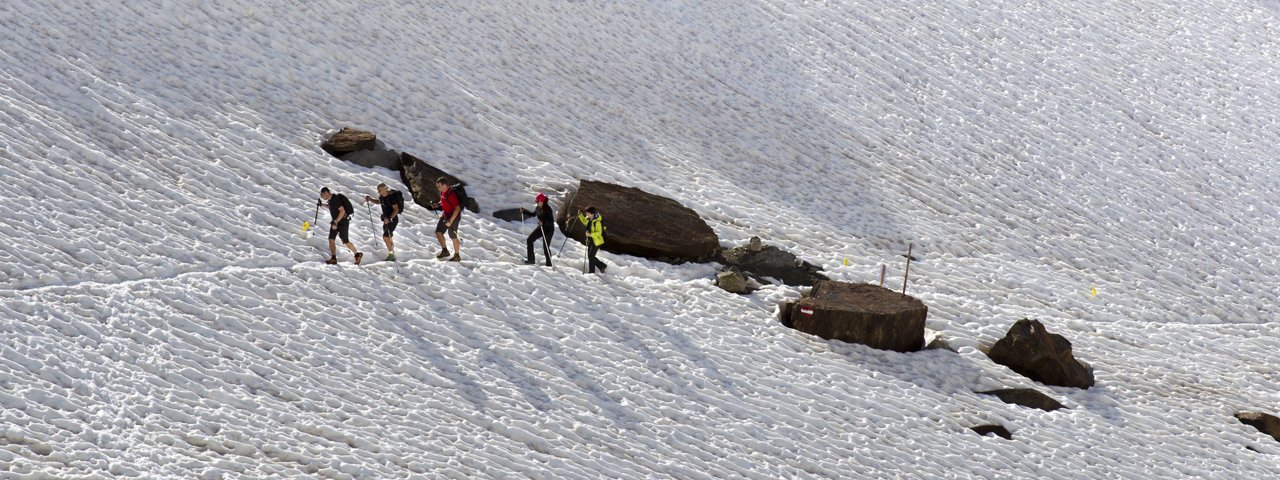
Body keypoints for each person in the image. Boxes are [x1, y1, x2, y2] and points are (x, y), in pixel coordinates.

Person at [320, 187, 363, 265]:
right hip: (335, 222)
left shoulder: (335, 198)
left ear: (326, 192)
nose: (321, 197)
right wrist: (322, 204)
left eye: (322, 194)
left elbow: (342, 211)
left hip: (342, 222)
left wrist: (336, 221)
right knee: (331, 239)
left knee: (346, 241)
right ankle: (333, 258)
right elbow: (330, 206)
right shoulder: (330, 200)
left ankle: (357, 254)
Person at [365, 183, 405, 261]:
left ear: (385, 189)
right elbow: (379, 201)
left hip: (392, 219)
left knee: (385, 236)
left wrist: (390, 218)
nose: (378, 191)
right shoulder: (382, 197)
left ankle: (391, 254)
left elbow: (396, 209)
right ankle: (392, 249)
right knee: (388, 235)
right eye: (378, 190)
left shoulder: (391, 197)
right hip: (386, 219)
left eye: (380, 189)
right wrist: (370, 199)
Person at [430, 177, 462, 261]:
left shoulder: (451, 194)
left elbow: (457, 208)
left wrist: (450, 221)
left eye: (440, 186)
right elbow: (444, 200)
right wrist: (437, 205)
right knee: (438, 232)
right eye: (437, 186)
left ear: (445, 185)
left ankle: (457, 256)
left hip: (453, 217)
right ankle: (445, 251)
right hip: (445, 215)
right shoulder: (443, 192)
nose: (438, 188)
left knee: (453, 236)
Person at [520, 193, 555, 266]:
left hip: (549, 229)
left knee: (546, 247)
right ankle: (531, 260)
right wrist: (524, 211)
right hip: (541, 227)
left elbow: (551, 221)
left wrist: (543, 222)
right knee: (529, 240)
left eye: (537, 201)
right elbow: (533, 214)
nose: (536, 203)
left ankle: (549, 264)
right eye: (536, 201)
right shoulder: (538, 207)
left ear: (542, 201)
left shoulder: (548, 209)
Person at [576, 205, 607, 274]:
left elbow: (599, 232)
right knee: (590, 256)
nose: (586, 214)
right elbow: (584, 221)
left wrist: (590, 234)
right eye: (586, 213)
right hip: (591, 240)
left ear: (592, 213)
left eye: (588, 213)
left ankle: (592, 272)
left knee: (591, 256)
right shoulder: (589, 220)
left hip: (597, 241)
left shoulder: (597, 222)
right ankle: (602, 266)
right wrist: (580, 215)